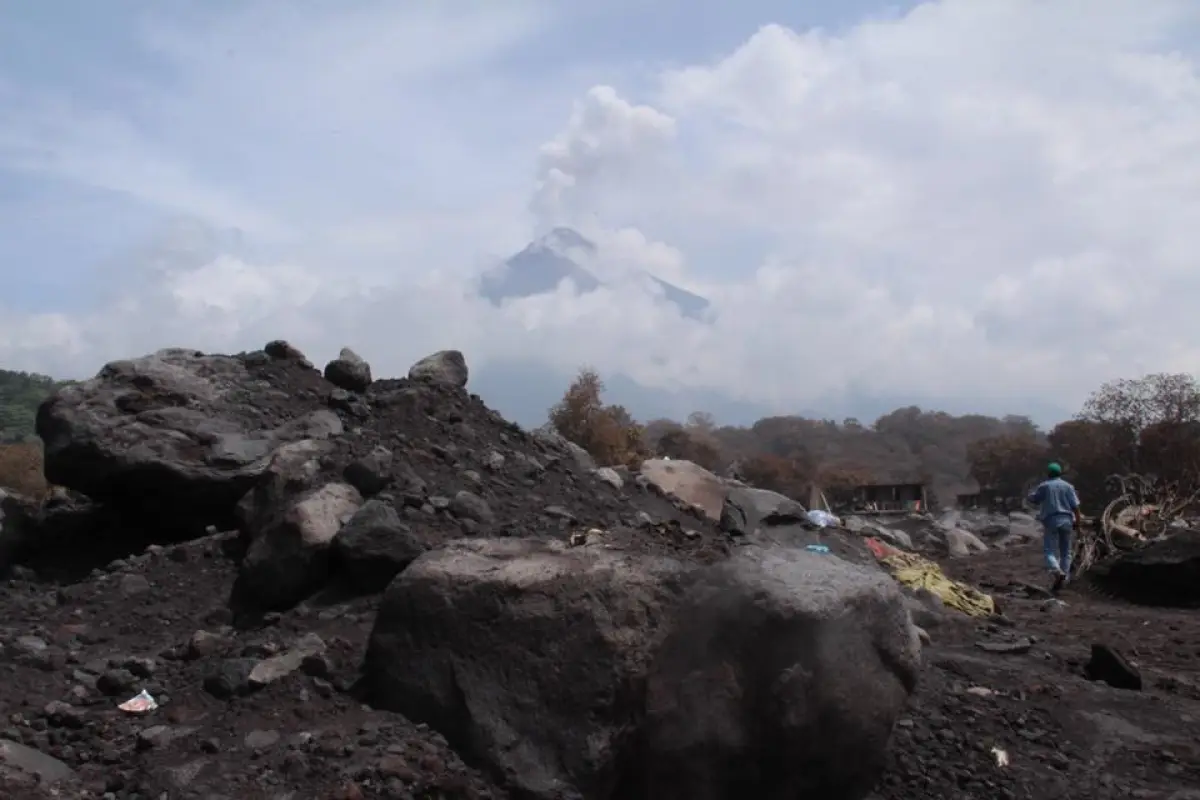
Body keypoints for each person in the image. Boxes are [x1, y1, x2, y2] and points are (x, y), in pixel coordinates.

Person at [1026, 462, 1082, 592]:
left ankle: (1057, 571)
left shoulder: (1044, 486)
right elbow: (1076, 507)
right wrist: (1078, 523)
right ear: (1060, 473)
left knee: (1049, 550)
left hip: (1051, 520)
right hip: (1067, 520)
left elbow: (1035, 499)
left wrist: (1029, 495)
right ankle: (1065, 579)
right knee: (1065, 552)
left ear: (1048, 473)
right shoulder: (1068, 486)